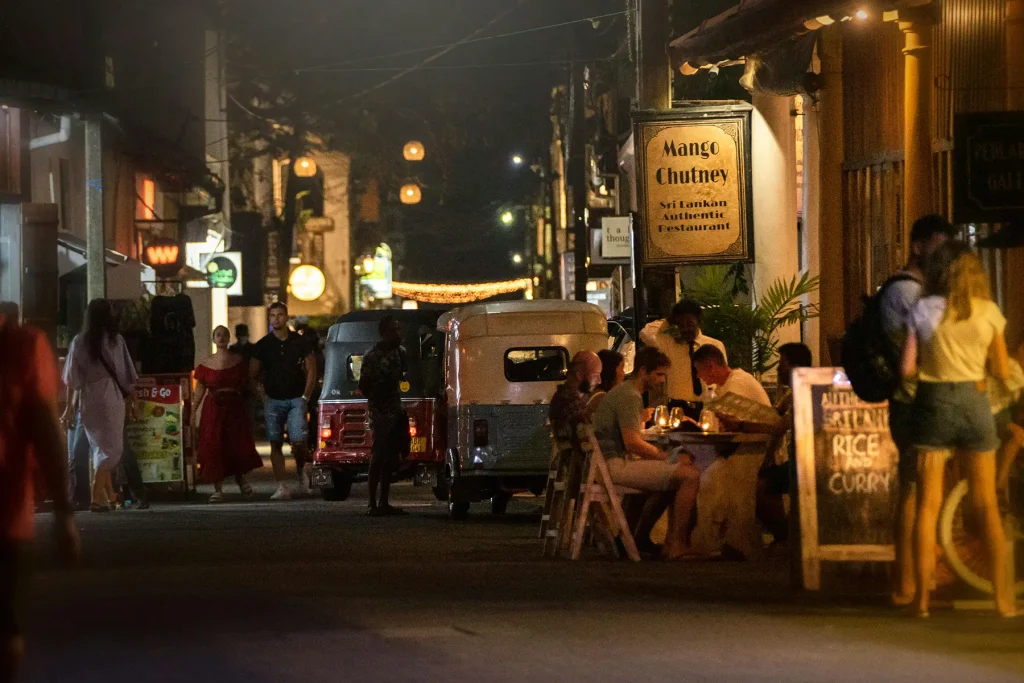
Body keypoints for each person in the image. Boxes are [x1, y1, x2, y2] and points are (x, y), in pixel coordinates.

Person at [903, 243, 1016, 618]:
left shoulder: (923, 309)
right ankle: (1003, 600)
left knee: (928, 506)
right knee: (986, 504)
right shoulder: (989, 313)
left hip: (933, 403)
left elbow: (906, 369)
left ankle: (921, 600)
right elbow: (1001, 368)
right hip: (974, 402)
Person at [879, 214, 956, 607]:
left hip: (919, 399)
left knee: (922, 490)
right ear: (918, 246)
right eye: (938, 246)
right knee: (913, 490)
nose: (944, 256)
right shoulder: (908, 293)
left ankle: (919, 572)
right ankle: (907, 578)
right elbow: (922, 354)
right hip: (912, 401)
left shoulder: (918, 290)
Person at [1, 310, 80, 683]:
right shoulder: (22, 346)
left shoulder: (21, 346)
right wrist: (63, 515)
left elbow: (45, 430)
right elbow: (46, 432)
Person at [592, 347, 701, 560]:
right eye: (659, 374)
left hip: (604, 464)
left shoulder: (623, 392)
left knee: (671, 477)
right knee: (690, 474)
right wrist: (667, 456)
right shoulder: (630, 395)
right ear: (643, 371)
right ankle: (678, 545)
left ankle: (642, 539)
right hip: (613, 466)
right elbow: (633, 443)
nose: (661, 380)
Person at [690, 344, 774, 559]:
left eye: (699, 370)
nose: (698, 375)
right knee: (705, 470)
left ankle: (723, 542)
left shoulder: (735, 385)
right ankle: (723, 540)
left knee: (709, 476)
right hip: (743, 445)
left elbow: (727, 427)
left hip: (752, 447)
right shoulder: (728, 384)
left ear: (710, 365)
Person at [61, 299, 139, 513]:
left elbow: (71, 379)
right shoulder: (115, 341)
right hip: (110, 395)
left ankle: (108, 496)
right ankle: (97, 496)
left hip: (89, 397)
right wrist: (133, 401)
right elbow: (126, 374)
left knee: (98, 447)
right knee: (113, 447)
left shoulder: (79, 341)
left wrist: (69, 408)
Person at [251, 302, 317, 501]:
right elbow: (252, 374)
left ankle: (301, 470)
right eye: (272, 315)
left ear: (286, 316)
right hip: (273, 399)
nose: (276, 319)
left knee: (299, 441)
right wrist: (263, 397)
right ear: (269, 318)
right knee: (275, 443)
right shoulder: (263, 345)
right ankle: (282, 485)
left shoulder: (300, 342)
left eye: (280, 315)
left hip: (296, 398)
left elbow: (312, 369)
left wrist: (306, 395)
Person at [193, 326, 263, 503]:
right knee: (213, 445)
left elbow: (251, 383)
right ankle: (218, 488)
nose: (221, 337)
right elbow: (199, 391)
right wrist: (192, 411)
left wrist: (263, 398)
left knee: (236, 444)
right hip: (214, 408)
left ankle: (242, 479)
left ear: (229, 337)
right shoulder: (206, 364)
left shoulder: (239, 361)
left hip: (235, 407)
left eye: (224, 334)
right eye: (218, 335)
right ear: (213, 339)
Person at [758, 342, 813, 546]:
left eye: (782, 363)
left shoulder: (805, 390)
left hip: (806, 464)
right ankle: (785, 536)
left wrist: (742, 424)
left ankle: (784, 536)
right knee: (765, 478)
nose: (778, 369)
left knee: (760, 484)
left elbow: (778, 426)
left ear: (795, 366)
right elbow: (774, 415)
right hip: (798, 461)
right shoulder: (793, 392)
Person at [640, 300, 727, 421]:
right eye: (680, 325)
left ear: (698, 321)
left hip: (707, 408)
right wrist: (668, 321)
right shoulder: (669, 345)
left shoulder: (715, 345)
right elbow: (645, 333)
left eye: (689, 323)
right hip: (677, 408)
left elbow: (722, 378)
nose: (685, 329)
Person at [359, 316, 410, 516]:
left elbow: (403, 379)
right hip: (379, 409)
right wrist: (377, 398)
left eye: (399, 330)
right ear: (384, 333)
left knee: (391, 456)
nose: (398, 334)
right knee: (378, 454)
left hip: (394, 408)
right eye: (394, 330)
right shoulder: (372, 355)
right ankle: (372, 503)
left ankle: (384, 502)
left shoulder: (401, 353)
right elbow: (363, 385)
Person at [549, 350, 602, 430]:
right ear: (580, 375)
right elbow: (590, 436)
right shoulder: (570, 405)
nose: (599, 381)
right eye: (595, 375)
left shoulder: (567, 397)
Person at [302, 328, 326, 452]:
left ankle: (309, 443)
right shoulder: (317, 354)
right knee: (314, 418)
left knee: (312, 418)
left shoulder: (311, 354)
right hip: (314, 390)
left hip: (311, 390)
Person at [588, 350, 626, 415]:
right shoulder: (601, 398)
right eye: (622, 368)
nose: (624, 374)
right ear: (612, 370)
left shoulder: (595, 393)